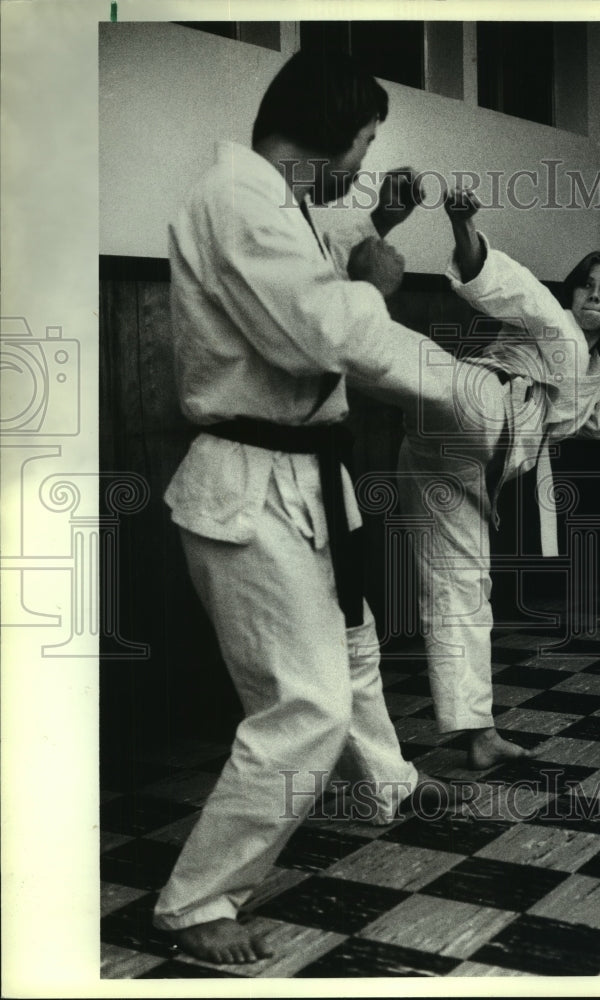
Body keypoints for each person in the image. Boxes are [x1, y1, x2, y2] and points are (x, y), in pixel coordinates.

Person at [152, 51, 467, 965]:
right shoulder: (238, 200)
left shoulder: (268, 202)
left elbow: (298, 284)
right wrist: (378, 281)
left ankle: (386, 788)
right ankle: (196, 902)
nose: (362, 166)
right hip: (250, 487)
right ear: (329, 133)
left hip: (300, 479)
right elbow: (319, 328)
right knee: (307, 707)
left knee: (356, 647)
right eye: (364, 146)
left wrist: (374, 228)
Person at [398, 187, 600, 769]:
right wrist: (464, 226)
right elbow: (502, 284)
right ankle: (350, 340)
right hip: (476, 403)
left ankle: (478, 734)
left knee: (462, 592)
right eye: (586, 283)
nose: (593, 293)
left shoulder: (594, 388)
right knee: (549, 326)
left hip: (464, 470)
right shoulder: (551, 320)